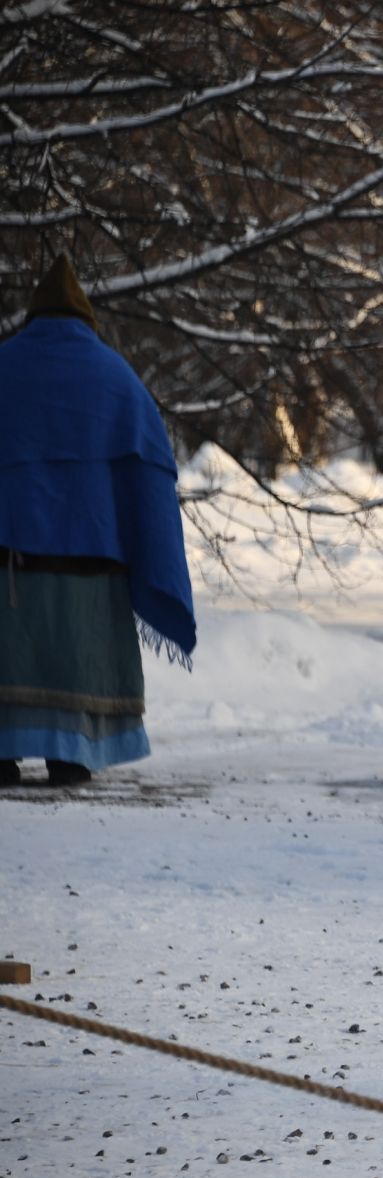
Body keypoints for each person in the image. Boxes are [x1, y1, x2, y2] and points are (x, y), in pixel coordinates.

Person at [0, 256, 196, 787]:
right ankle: (72, 752)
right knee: (74, 677)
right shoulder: (116, 380)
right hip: (92, 575)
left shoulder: (5, 367)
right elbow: (151, 479)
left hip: (8, 571)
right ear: (86, 319)